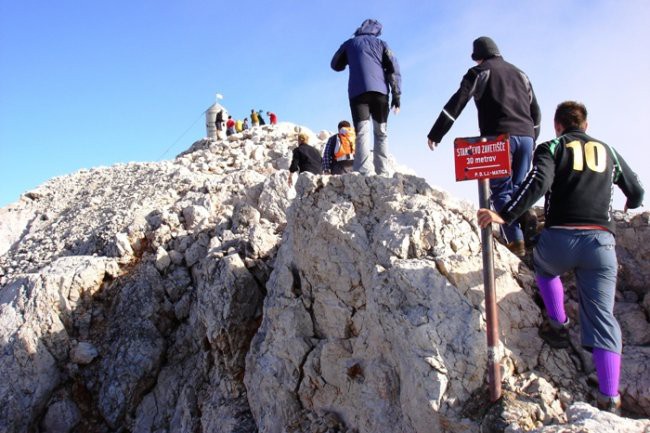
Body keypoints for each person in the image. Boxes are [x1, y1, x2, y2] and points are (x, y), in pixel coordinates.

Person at [477, 101, 644, 414]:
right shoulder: (607, 150)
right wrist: (630, 203)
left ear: (557, 126)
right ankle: (610, 398)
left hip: (560, 240)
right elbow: (636, 191)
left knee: (543, 265)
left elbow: (537, 183)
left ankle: (558, 323)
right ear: (586, 125)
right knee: (603, 316)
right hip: (600, 244)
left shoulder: (552, 147)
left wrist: (506, 214)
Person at [428, 36, 541, 257]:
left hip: (499, 139)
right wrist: (532, 136)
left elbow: (457, 102)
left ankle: (516, 243)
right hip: (527, 136)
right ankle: (526, 219)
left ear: (478, 57)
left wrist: (436, 132)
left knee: (499, 191)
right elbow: (535, 110)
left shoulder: (479, 72)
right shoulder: (521, 73)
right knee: (518, 189)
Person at [331, 18, 401, 177]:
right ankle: (382, 172)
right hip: (380, 93)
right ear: (376, 31)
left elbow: (335, 64)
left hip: (357, 94)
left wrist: (347, 62)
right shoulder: (382, 44)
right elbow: (393, 69)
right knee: (381, 132)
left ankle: (363, 172)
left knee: (362, 132)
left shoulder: (350, 44)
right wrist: (397, 96)